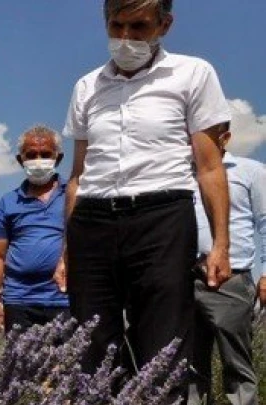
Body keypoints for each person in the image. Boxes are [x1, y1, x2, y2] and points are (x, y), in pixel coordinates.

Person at [58, 0, 231, 384]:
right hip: (93, 219)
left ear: (164, 25)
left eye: (138, 27)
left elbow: (209, 166)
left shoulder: (193, 74)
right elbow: (77, 175)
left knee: (163, 338)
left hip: (163, 216)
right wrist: (67, 248)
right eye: (116, 25)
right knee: (91, 338)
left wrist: (221, 244)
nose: (125, 38)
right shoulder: (87, 86)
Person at [187, 124, 265, 405]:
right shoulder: (179, 174)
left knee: (237, 360)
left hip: (233, 278)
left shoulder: (250, 171)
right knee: (190, 363)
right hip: (185, 278)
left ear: (225, 139)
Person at [0, 126, 70, 334]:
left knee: (68, 364)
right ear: (20, 160)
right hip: (19, 300)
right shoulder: (9, 201)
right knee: (20, 365)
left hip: (64, 299)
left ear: (58, 158)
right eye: (31, 155)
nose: (38, 160)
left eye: (45, 154)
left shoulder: (72, 196)